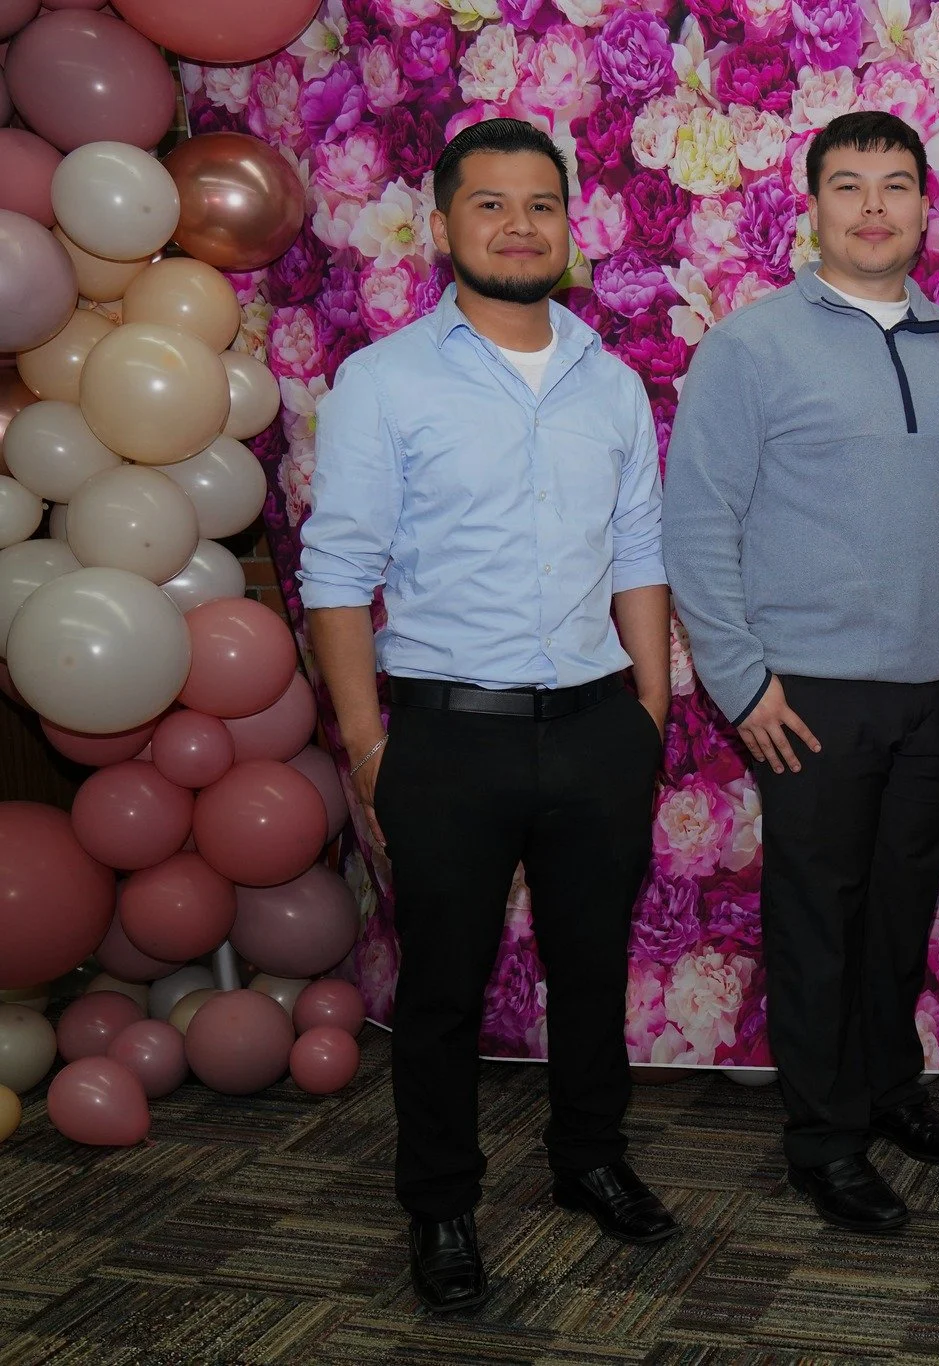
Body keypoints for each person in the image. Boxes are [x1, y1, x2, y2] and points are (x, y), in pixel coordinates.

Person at [301, 119, 678, 1313]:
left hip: (594, 729)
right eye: (491, 205)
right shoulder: (385, 380)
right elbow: (334, 571)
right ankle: (441, 1203)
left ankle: (588, 1159)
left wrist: (649, 718)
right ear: (442, 224)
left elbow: (639, 556)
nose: (519, 225)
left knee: (591, 967)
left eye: (541, 206)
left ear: (570, 227)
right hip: (445, 736)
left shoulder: (609, 382)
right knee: (444, 989)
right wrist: (368, 743)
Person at [664, 111, 939, 1236]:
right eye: (847, 185)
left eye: (894, 185)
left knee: (897, 908)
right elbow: (697, 522)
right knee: (818, 918)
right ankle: (822, 1140)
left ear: (925, 207)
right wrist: (738, 682)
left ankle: (884, 1091)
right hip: (805, 696)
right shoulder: (749, 345)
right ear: (811, 208)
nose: (872, 205)